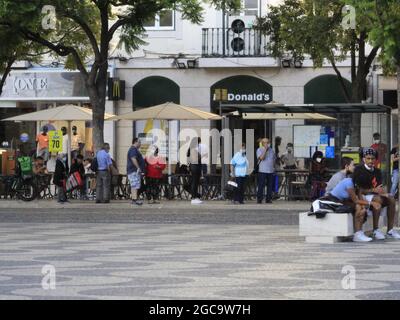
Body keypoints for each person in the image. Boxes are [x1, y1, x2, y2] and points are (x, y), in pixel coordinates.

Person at [353, 148, 400, 240]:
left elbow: (379, 187)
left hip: (373, 194)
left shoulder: (377, 171)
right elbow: (358, 189)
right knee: (377, 199)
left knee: (391, 198)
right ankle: (375, 230)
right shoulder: (359, 169)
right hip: (361, 195)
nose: (370, 161)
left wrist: (384, 193)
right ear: (364, 159)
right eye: (368, 158)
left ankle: (390, 230)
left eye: (372, 158)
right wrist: (373, 190)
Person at [324, 177, 378, 242]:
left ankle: (359, 233)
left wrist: (364, 206)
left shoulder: (357, 184)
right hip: (334, 201)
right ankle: (357, 234)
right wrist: (371, 203)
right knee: (358, 207)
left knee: (362, 208)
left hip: (343, 201)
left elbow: (359, 197)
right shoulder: (349, 183)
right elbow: (355, 201)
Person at [256, 138, 276, 204]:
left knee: (270, 186)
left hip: (270, 171)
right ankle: (259, 199)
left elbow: (273, 160)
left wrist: (273, 168)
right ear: (262, 143)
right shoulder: (259, 150)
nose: (267, 144)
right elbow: (262, 158)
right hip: (262, 171)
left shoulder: (272, 151)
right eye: (265, 142)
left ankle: (268, 199)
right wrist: (265, 150)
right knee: (261, 185)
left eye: (268, 142)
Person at [127, 138, 145, 206]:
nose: (140, 144)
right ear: (135, 142)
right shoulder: (133, 150)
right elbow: (133, 158)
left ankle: (134, 199)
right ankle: (135, 199)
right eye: (139, 142)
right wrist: (138, 168)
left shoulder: (134, 150)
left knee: (134, 185)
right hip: (134, 170)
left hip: (133, 170)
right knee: (135, 185)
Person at [187, 137, 202, 205]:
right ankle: (193, 197)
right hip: (195, 167)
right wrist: (199, 156)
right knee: (194, 182)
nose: (199, 144)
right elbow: (194, 159)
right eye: (198, 142)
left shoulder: (193, 149)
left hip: (195, 167)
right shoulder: (193, 149)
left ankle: (194, 196)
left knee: (195, 182)